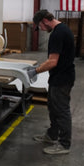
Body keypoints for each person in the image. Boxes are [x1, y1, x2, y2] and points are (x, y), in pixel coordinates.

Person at [30, 10, 76, 155]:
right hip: (59, 77)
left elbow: (52, 62)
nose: (41, 30)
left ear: (45, 20)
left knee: (61, 110)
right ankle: (52, 135)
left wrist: (35, 71)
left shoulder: (57, 33)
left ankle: (64, 144)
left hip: (62, 78)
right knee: (53, 107)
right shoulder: (62, 29)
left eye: (40, 26)